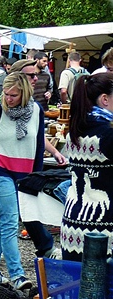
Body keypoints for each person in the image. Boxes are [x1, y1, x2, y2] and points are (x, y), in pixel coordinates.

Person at [0, 72, 45, 290]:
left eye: (13, 95)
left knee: (5, 221)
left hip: (25, 174)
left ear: (24, 94)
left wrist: (37, 177)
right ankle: (17, 275)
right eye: (5, 94)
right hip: (1, 171)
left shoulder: (36, 111)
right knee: (10, 221)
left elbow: (39, 146)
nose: (8, 99)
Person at [61, 72, 113, 261]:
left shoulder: (74, 132)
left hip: (73, 227)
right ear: (105, 99)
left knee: (79, 288)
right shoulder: (107, 135)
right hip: (103, 233)